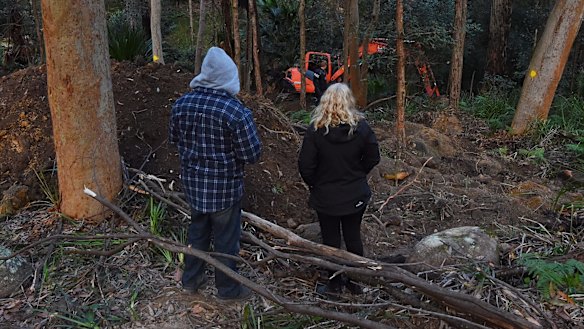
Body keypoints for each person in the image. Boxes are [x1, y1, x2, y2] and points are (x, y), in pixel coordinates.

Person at [169, 47, 262, 302]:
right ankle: (228, 290)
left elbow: (173, 139)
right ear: (229, 76)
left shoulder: (181, 104)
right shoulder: (235, 111)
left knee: (197, 232)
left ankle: (191, 280)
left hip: (193, 185)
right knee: (226, 240)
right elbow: (252, 154)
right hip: (224, 189)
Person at [298, 83, 380, 296]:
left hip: (326, 197)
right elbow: (373, 157)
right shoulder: (361, 128)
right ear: (349, 101)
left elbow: (305, 166)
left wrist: (317, 184)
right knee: (353, 237)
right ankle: (354, 282)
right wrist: (358, 174)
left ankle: (334, 284)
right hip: (355, 195)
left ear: (325, 102)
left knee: (330, 239)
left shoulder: (315, 131)